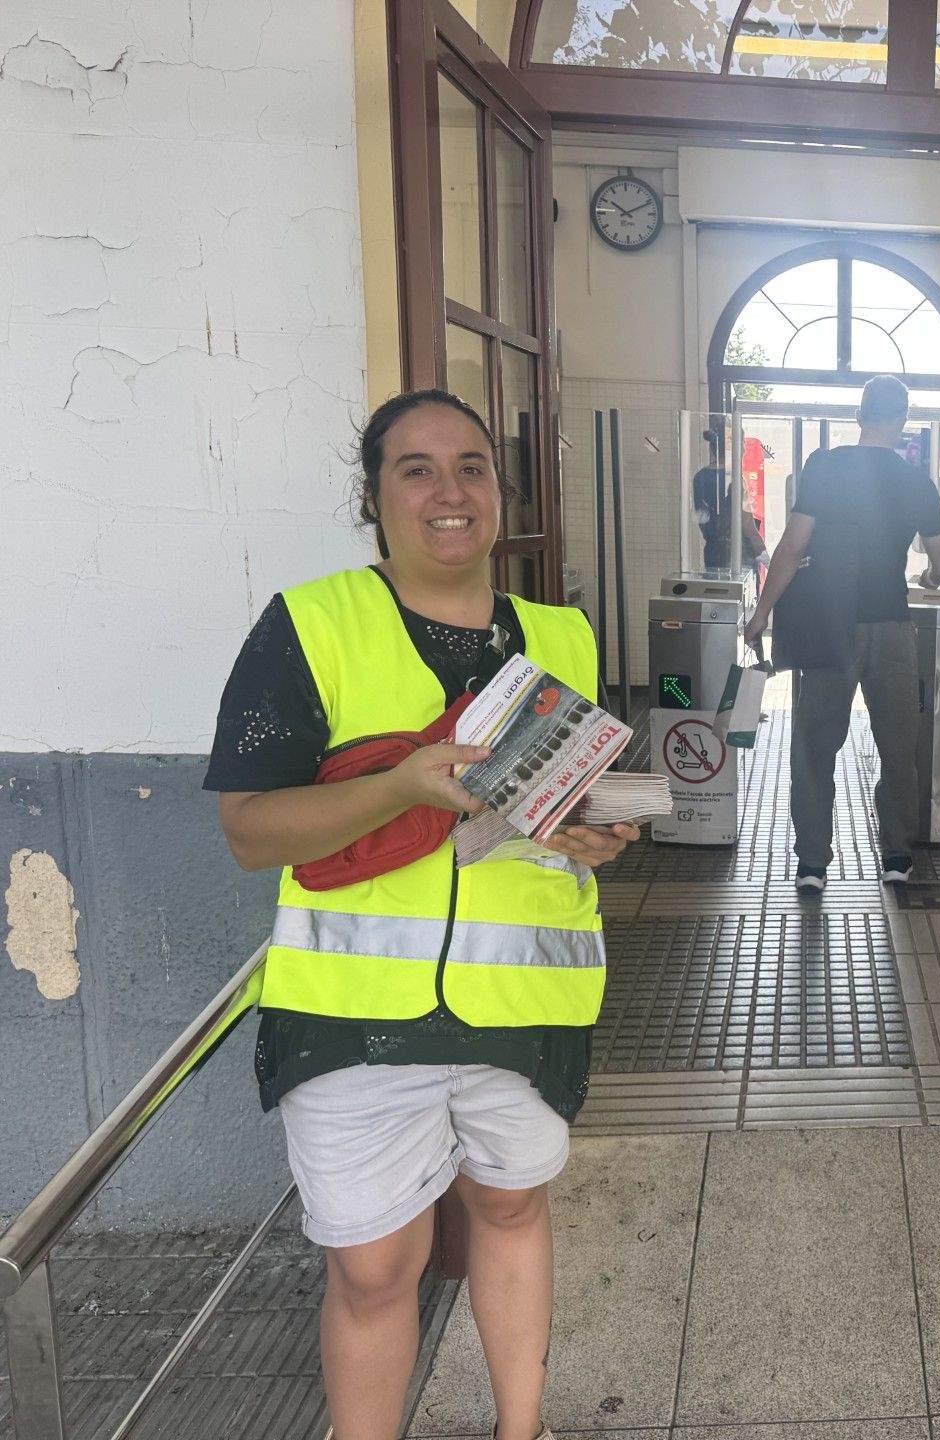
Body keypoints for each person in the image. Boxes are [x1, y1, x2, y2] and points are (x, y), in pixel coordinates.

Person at [206, 389, 638, 1440]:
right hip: (355, 1013)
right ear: (374, 495)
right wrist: (401, 785)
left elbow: (555, 805)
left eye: (474, 468)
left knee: (510, 1208)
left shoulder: (563, 635)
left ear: (502, 491)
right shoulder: (311, 625)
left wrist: (590, 835)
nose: (451, 492)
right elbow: (252, 832)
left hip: (524, 999)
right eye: (418, 469)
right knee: (372, 1265)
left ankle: (519, 1429)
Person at [743, 376, 940, 891]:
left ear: (860, 416)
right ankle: (896, 857)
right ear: (902, 421)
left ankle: (813, 864)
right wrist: (923, 579)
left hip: (828, 627)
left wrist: (760, 615)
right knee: (897, 746)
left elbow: (790, 550)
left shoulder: (825, 468)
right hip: (892, 629)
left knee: (815, 747)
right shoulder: (916, 482)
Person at [691, 426, 767, 573]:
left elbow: (703, 519)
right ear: (735, 448)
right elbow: (748, 527)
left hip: (712, 555)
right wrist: (768, 561)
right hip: (737, 557)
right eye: (743, 443)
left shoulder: (699, 477)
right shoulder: (734, 479)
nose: (744, 449)